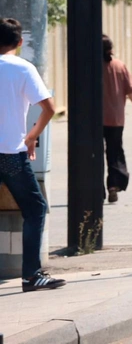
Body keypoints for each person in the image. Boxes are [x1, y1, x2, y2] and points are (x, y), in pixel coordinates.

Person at [0, 18, 65, 292]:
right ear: (20, 42)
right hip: (10, 154)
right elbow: (49, 108)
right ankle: (31, 275)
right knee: (35, 208)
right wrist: (32, 136)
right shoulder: (24, 69)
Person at [102, 35, 132, 204]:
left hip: (94, 120)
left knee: (94, 154)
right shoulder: (119, 66)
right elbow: (130, 90)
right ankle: (114, 185)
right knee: (115, 151)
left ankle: (95, 189)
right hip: (116, 118)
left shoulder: (89, 67)